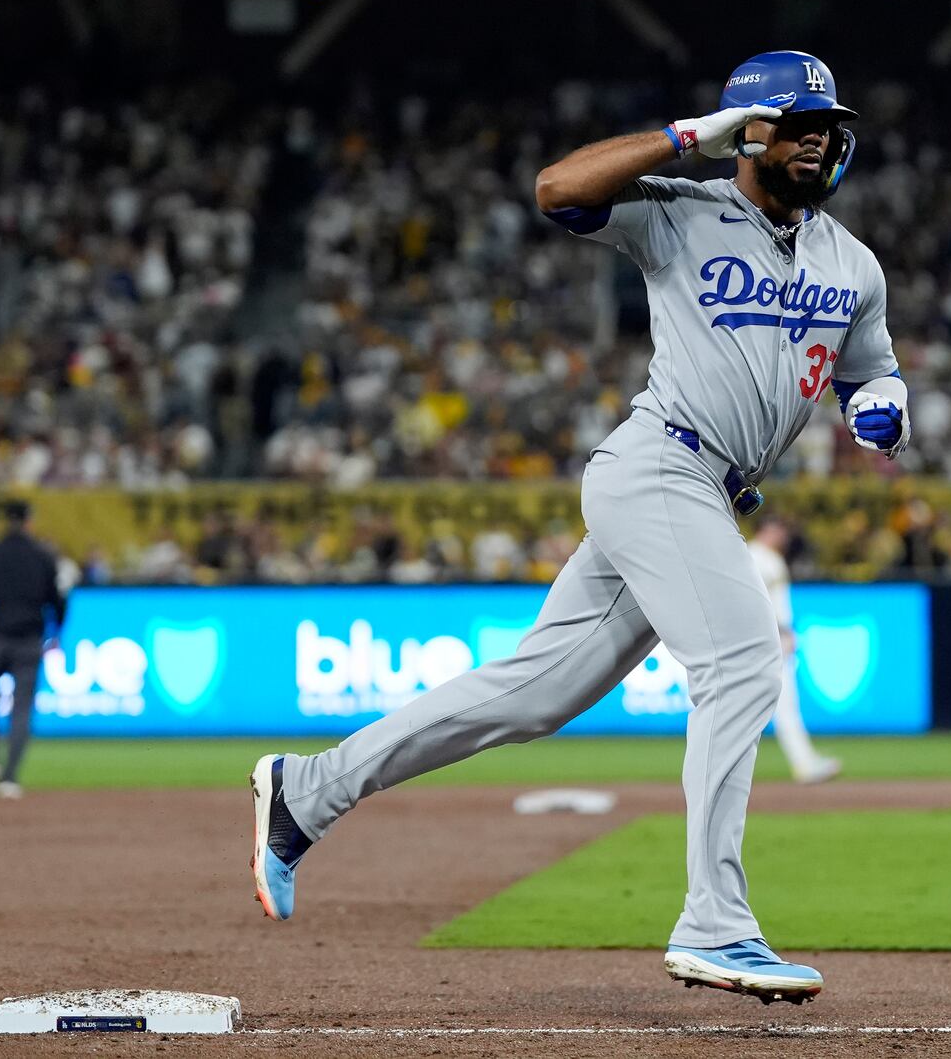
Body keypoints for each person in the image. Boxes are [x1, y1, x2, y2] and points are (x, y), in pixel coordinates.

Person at [248, 50, 908, 1005]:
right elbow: (557, 189)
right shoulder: (682, 210)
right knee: (743, 662)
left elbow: (870, 369)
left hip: (705, 493)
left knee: (530, 696)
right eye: (799, 121)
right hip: (660, 465)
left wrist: (880, 402)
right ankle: (715, 922)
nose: (819, 138)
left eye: (827, 124)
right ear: (749, 132)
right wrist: (688, 140)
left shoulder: (852, 261)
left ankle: (307, 792)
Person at [0, 501, 66, 799]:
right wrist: (56, 632)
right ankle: (9, 777)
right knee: (21, 707)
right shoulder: (42, 556)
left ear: (7, 520)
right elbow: (57, 599)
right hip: (29, 639)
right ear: (29, 521)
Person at [748, 518, 840, 784]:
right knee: (784, 706)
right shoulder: (755, 555)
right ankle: (805, 764)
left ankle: (805, 761)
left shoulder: (767, 557)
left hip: (774, 636)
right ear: (767, 530)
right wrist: (781, 631)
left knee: (780, 707)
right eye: (779, 531)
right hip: (769, 639)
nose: (783, 537)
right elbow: (757, 600)